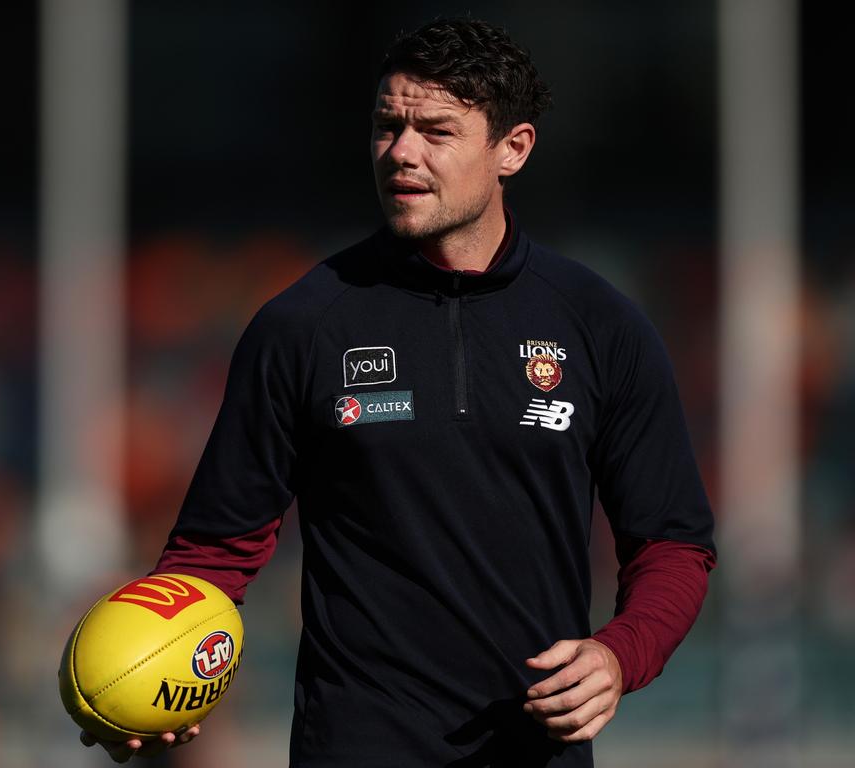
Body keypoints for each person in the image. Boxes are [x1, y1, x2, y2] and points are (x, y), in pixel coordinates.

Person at [82, 16, 717, 767]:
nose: (402, 152)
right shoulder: (302, 325)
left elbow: (673, 544)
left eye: (436, 131)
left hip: (534, 752)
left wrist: (619, 655)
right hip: (355, 747)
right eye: (388, 126)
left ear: (512, 149)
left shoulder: (600, 325)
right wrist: (160, 672)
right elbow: (216, 551)